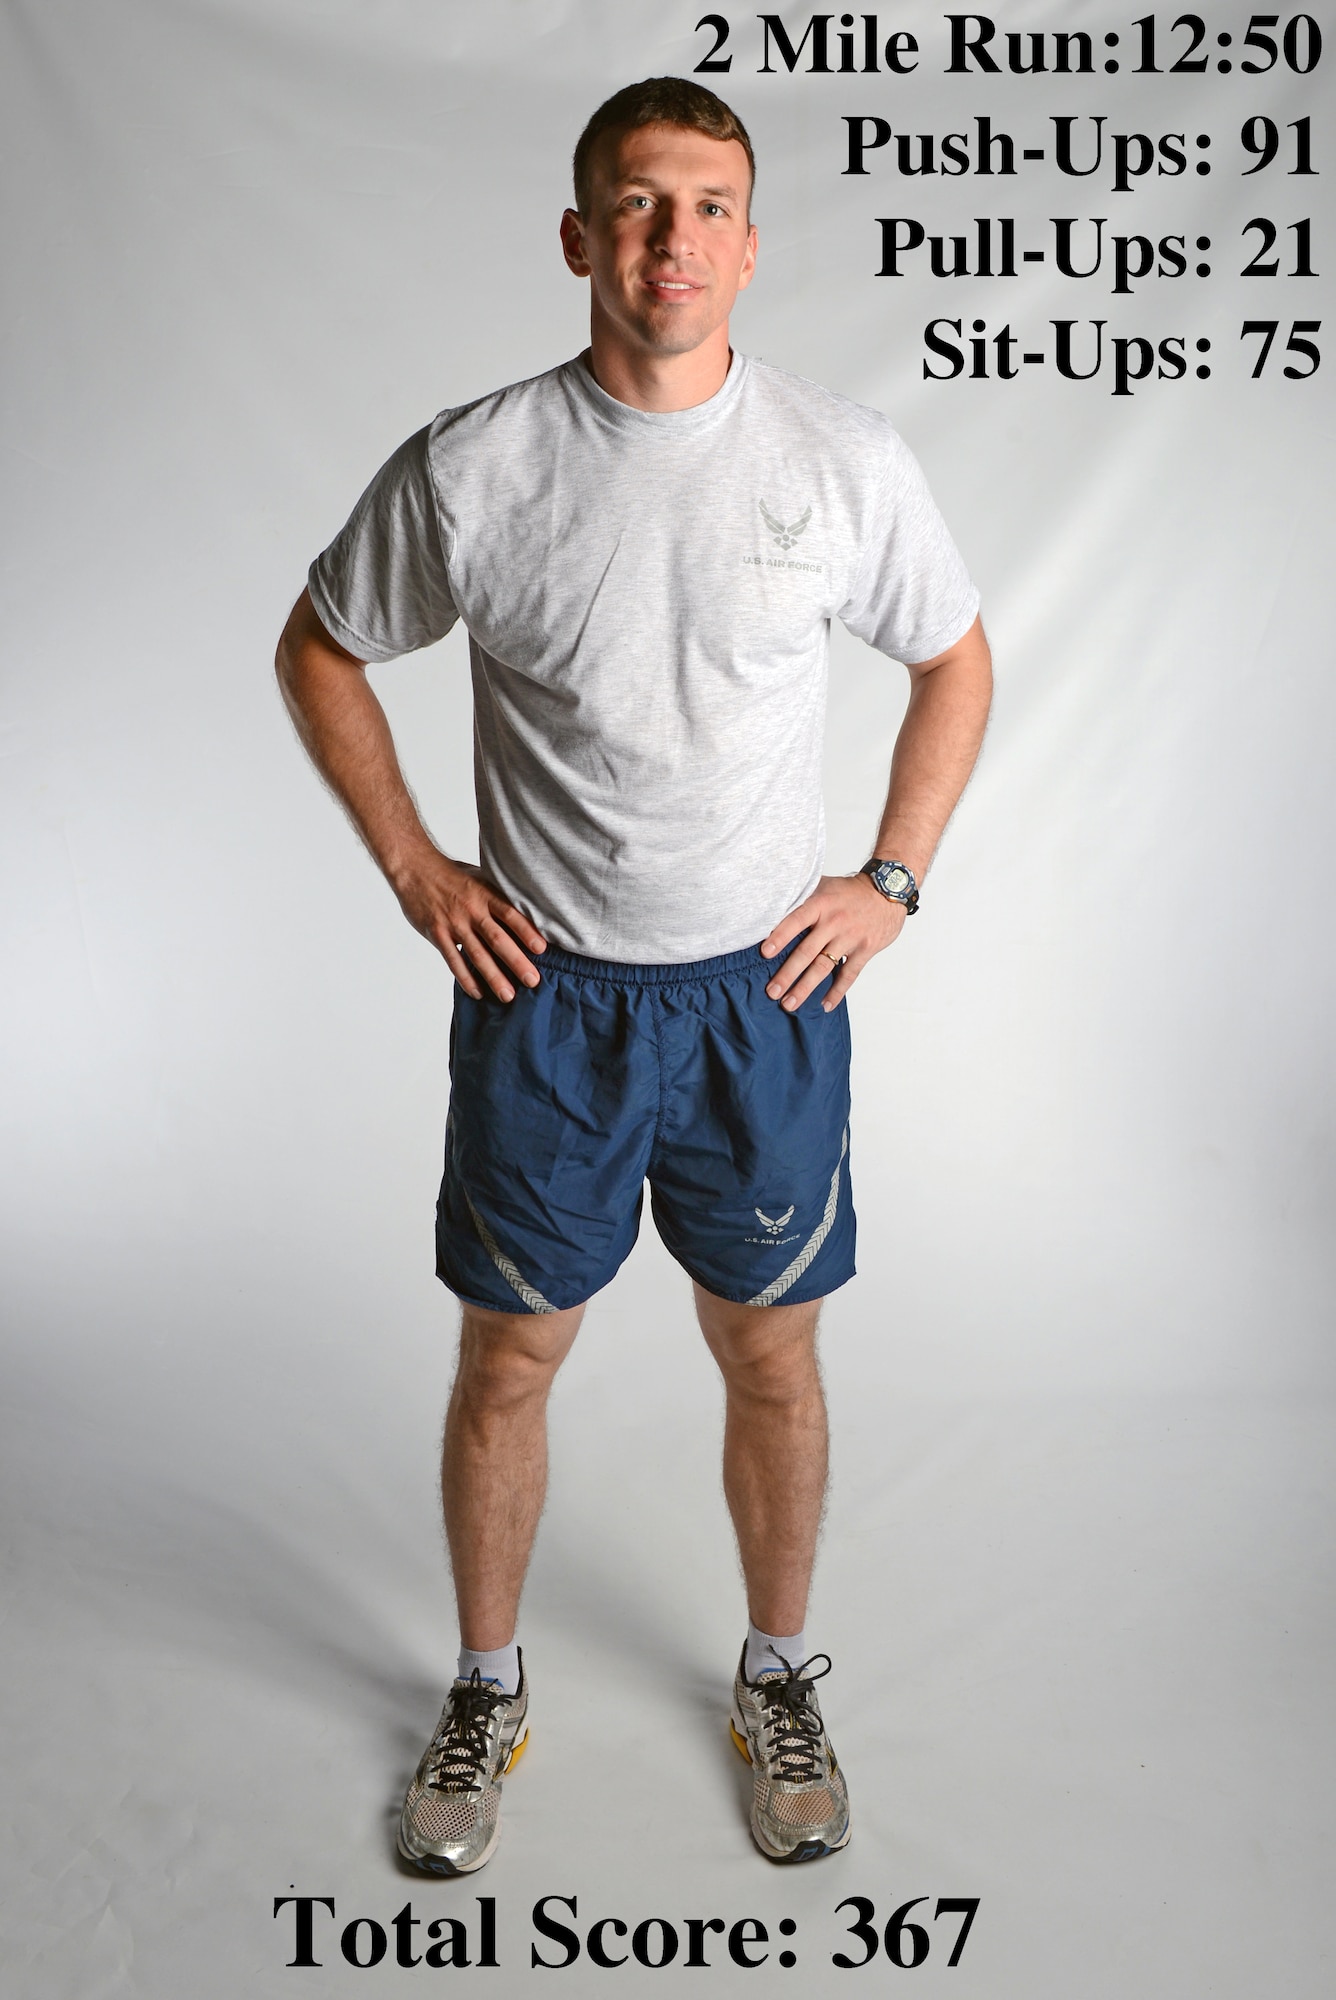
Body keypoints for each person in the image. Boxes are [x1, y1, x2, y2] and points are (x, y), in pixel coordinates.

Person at [275, 75, 992, 1875]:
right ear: (583, 236)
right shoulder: (475, 464)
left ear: (752, 239)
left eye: (713, 204)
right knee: (513, 1353)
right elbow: (321, 650)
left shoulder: (843, 461)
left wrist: (892, 879)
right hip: (552, 1002)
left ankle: (777, 1672)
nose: (678, 239)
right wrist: (419, 868)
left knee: (771, 1350)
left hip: (765, 996)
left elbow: (958, 660)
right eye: (643, 204)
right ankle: (488, 1685)